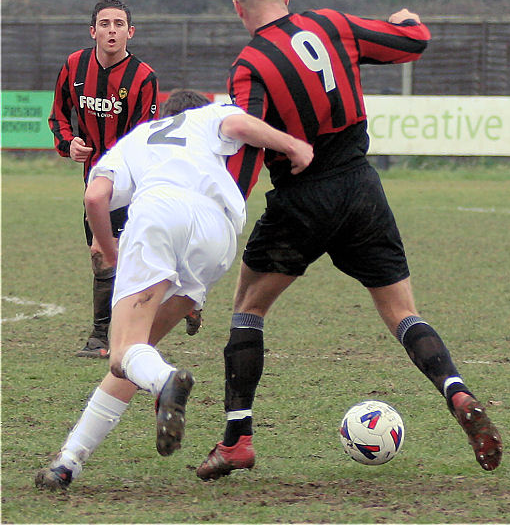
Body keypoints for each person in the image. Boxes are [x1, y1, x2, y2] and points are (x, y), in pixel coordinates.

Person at [196, 0, 503, 480]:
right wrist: (409, 20)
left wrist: (224, 204)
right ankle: (458, 391)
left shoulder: (250, 64)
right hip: (362, 189)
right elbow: (412, 42)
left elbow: (246, 141)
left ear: (237, 8)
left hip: (301, 199)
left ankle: (237, 440)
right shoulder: (331, 24)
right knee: (402, 312)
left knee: (248, 308)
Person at [35, 89, 313, 491]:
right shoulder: (207, 122)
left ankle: (166, 379)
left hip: (160, 213)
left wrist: (113, 255)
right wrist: (292, 145)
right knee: (134, 355)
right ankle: (68, 463)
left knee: (123, 351)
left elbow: (95, 196)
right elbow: (238, 124)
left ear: (162, 115)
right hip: (218, 234)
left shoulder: (137, 138)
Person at [49, 0, 161, 358]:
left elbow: (147, 135)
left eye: (118, 24)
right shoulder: (74, 65)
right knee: (100, 255)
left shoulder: (143, 77)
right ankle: (105, 335)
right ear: (93, 30)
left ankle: (109, 336)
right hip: (94, 180)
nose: (111, 30)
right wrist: (70, 144)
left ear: (130, 31)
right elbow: (58, 116)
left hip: (132, 181)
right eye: (104, 23)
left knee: (128, 254)